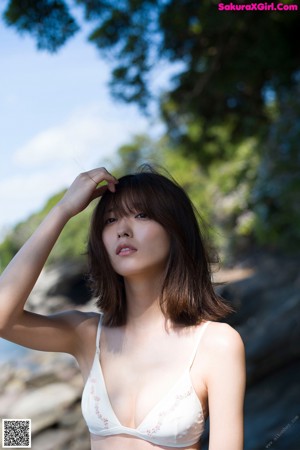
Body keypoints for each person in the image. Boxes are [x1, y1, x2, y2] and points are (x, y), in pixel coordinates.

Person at [0, 167, 246, 450]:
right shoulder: (86, 335)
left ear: (175, 228)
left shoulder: (217, 344)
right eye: (111, 219)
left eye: (141, 215)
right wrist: (63, 210)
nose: (122, 229)